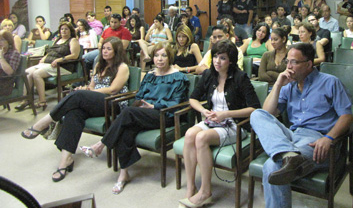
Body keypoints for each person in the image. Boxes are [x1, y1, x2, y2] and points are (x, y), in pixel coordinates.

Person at [250, 43, 353, 208]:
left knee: (271, 165)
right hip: (291, 137)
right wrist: (277, 84)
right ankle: (288, 154)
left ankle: (287, 156)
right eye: (287, 62)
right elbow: (268, 113)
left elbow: (347, 116)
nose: (288, 67)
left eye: (294, 62)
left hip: (316, 141)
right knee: (257, 114)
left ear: (309, 64)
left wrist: (329, 138)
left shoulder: (330, 82)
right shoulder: (288, 85)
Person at [78, 42, 188, 194]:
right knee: (126, 128)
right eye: (156, 55)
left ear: (170, 57)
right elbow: (140, 95)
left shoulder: (178, 77)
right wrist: (141, 103)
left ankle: (100, 145)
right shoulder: (149, 76)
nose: (160, 59)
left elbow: (177, 102)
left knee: (128, 112)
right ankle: (124, 174)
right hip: (143, 113)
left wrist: (153, 106)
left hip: (164, 115)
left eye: (164, 55)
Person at [20, 37, 129, 182]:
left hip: (113, 103)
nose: (105, 51)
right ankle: (66, 160)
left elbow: (113, 89)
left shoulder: (122, 67)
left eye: (109, 49)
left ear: (117, 51)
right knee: (74, 113)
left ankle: (44, 123)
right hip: (96, 102)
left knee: (77, 96)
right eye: (103, 48)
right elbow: (91, 86)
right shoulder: (99, 65)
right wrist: (85, 89)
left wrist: (87, 93)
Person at [179, 40, 261, 207]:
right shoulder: (209, 74)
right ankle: (191, 187)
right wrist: (203, 111)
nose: (217, 61)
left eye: (222, 58)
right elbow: (193, 98)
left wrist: (226, 114)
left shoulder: (240, 78)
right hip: (212, 120)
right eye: (215, 56)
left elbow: (255, 108)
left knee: (201, 138)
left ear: (230, 61)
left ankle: (205, 191)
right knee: (189, 135)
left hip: (235, 124)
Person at [16, 22, 80, 111]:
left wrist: (60, 59)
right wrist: (44, 58)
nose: (63, 31)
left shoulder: (72, 40)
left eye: (66, 29)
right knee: (27, 72)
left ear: (70, 31)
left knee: (37, 74)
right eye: (62, 29)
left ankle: (42, 101)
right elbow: (51, 52)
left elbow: (74, 55)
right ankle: (26, 100)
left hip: (62, 66)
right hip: (48, 64)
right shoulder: (57, 40)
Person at [0, 30, 21, 96]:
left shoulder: (14, 53)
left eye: (2, 40)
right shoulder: (2, 51)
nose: (0, 42)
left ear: (8, 41)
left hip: (5, 84)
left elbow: (10, 72)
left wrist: (1, 57)